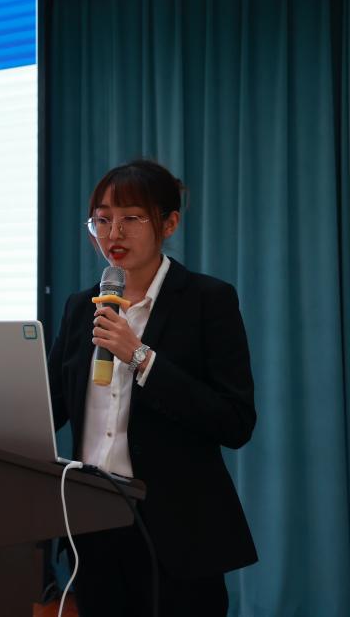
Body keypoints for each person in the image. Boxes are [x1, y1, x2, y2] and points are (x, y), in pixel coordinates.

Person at [47, 159, 257, 617]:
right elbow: (50, 408)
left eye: (131, 218)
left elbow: (235, 421)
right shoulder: (81, 306)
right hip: (93, 527)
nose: (113, 233)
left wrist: (141, 357)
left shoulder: (208, 301)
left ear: (169, 223)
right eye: (102, 220)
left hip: (178, 534)